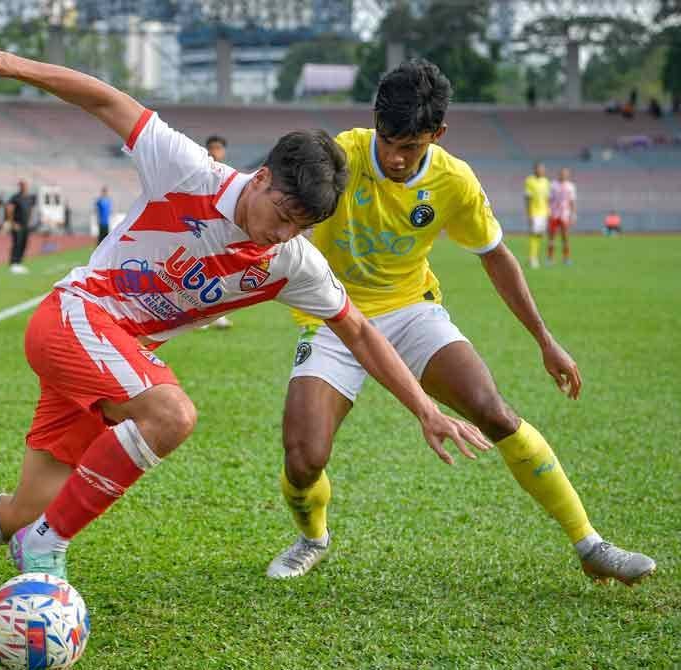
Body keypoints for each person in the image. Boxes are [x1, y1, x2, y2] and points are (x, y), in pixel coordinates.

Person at [0, 33, 490, 612]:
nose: (284, 233)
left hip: (109, 357)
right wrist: (0, 62)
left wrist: (425, 411)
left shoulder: (292, 262)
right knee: (172, 414)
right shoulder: (187, 170)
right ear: (261, 177)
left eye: (302, 226)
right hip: (74, 317)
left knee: (26, 507)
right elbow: (103, 98)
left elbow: (360, 333)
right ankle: (46, 550)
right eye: (283, 213)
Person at [266, 59, 655, 587]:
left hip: (411, 309)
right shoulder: (342, 155)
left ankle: (590, 544)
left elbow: (496, 256)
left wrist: (545, 339)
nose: (398, 157)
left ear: (438, 134)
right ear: (374, 120)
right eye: (389, 140)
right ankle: (313, 537)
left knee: (494, 413)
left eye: (413, 146)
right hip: (335, 315)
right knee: (304, 457)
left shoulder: (454, 181)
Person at [202, 134, 233, 330]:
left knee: (220, 272)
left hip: (221, 230)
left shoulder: (230, 176)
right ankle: (194, 318)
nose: (215, 152)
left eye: (218, 148)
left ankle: (216, 316)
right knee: (198, 271)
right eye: (212, 148)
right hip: (201, 227)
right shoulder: (201, 173)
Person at [547, 167, 576, 265]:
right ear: (559, 174)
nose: (563, 175)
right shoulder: (553, 185)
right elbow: (549, 199)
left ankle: (566, 258)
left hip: (565, 215)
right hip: (554, 214)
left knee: (565, 237)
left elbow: (572, 201)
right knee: (552, 237)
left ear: (568, 175)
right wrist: (548, 211)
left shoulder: (570, 186)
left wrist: (573, 214)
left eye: (566, 174)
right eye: (562, 173)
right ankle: (550, 258)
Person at [524, 161, 549, 269]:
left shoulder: (546, 181)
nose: (541, 171)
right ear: (535, 169)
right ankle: (532, 258)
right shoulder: (530, 181)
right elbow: (527, 198)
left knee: (539, 235)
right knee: (534, 235)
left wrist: (548, 211)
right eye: (539, 169)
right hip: (534, 212)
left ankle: (534, 257)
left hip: (544, 212)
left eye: (543, 169)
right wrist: (529, 214)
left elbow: (547, 198)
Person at [7, 179, 34, 274]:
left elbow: (30, 209)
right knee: (17, 243)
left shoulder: (29, 197)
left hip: (26, 225)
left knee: (24, 243)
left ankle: (19, 262)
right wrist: (12, 223)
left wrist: (30, 220)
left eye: (25, 185)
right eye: (22, 185)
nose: (24, 187)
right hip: (17, 224)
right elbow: (9, 209)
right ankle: (13, 263)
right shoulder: (15, 197)